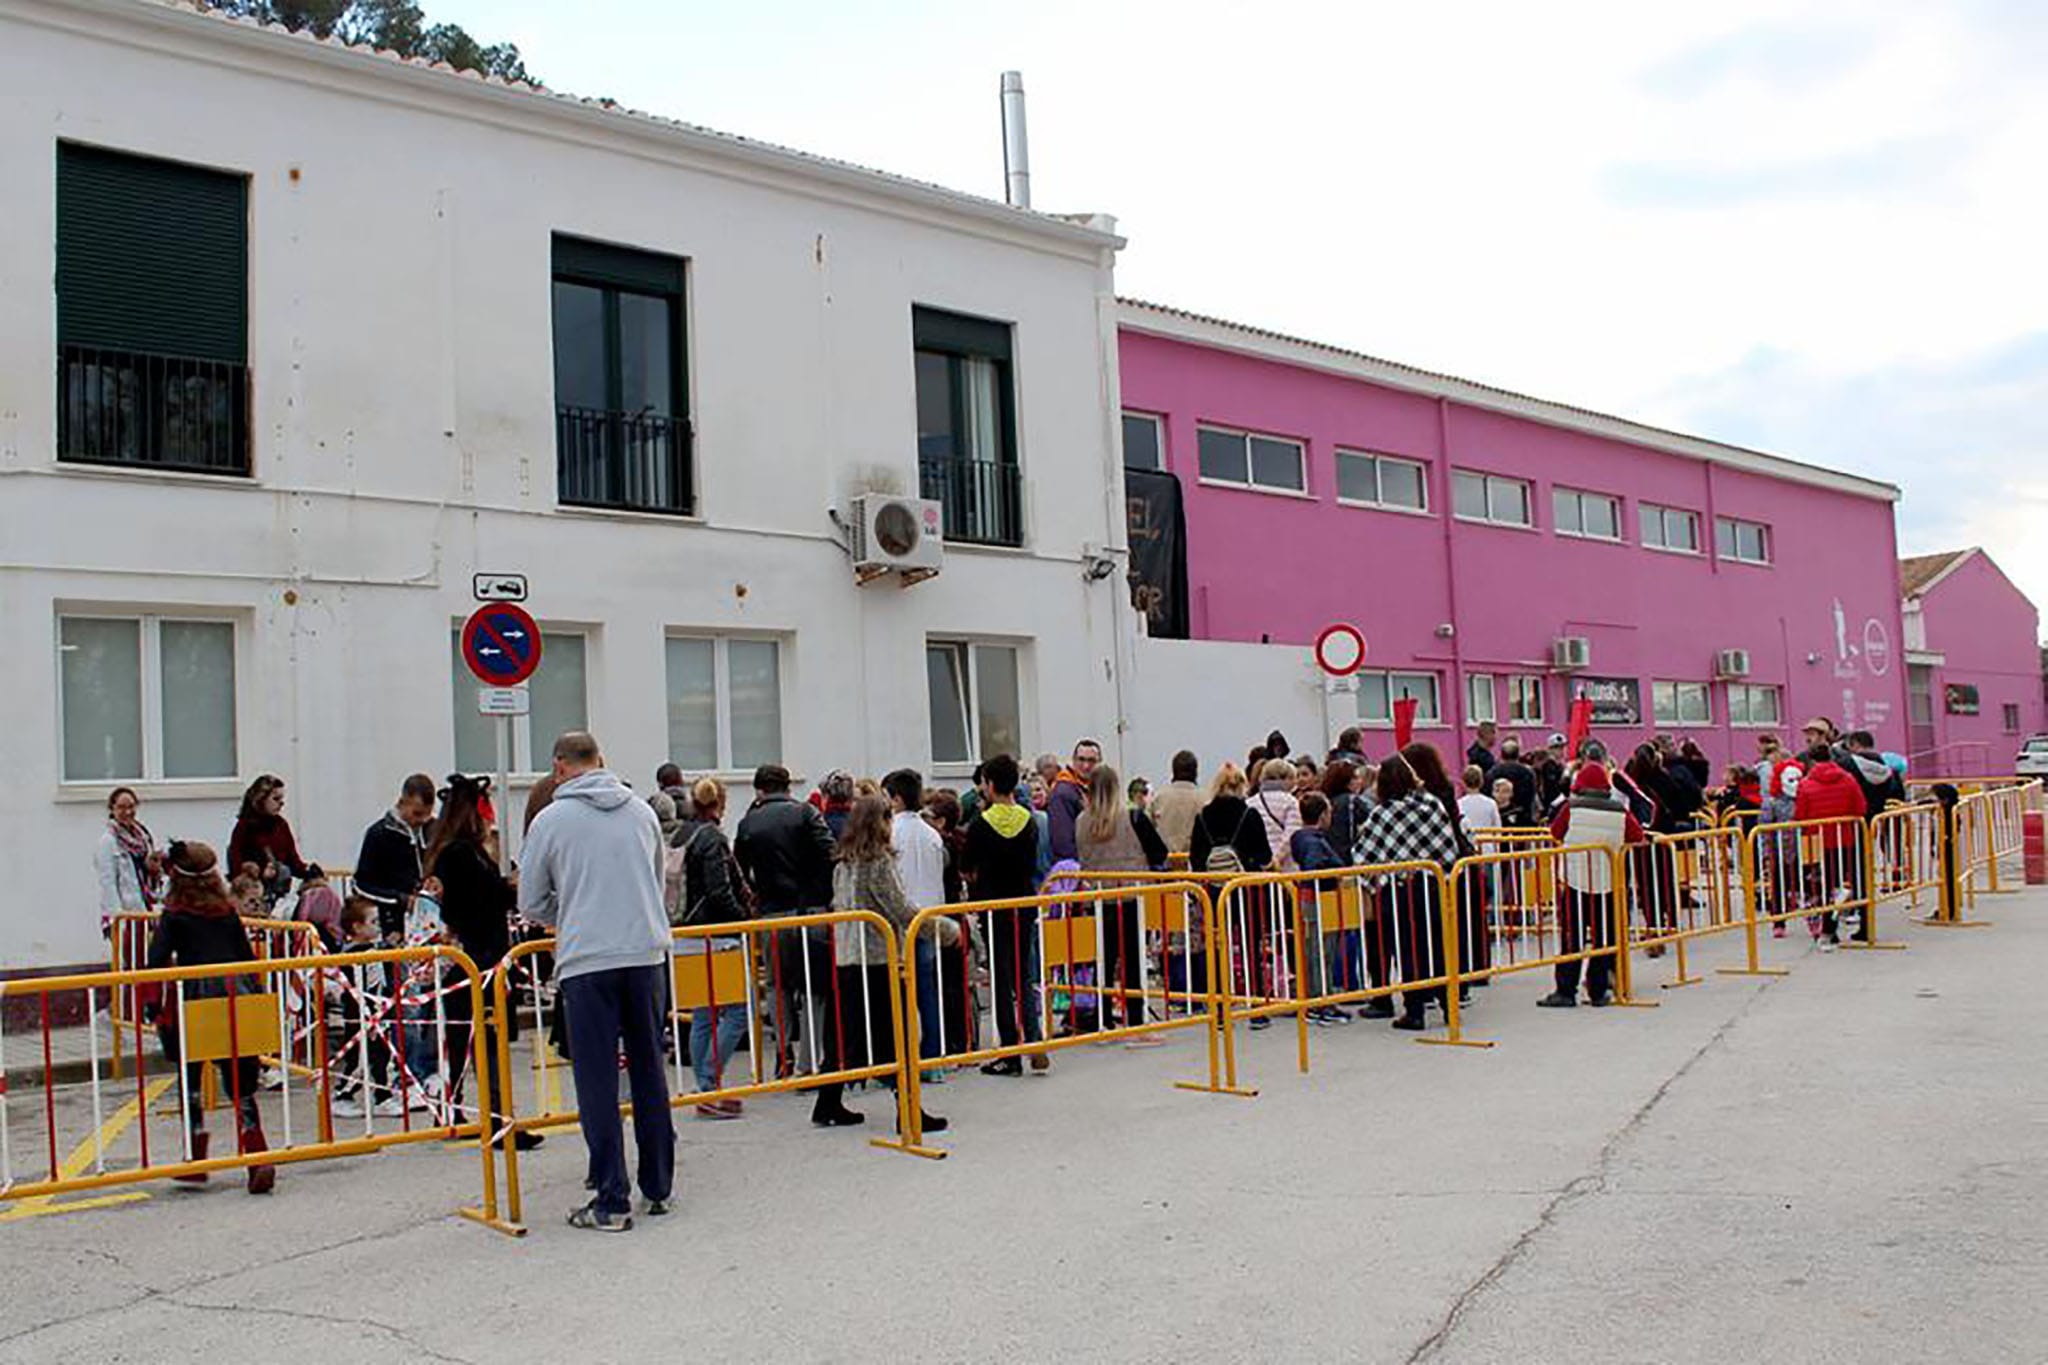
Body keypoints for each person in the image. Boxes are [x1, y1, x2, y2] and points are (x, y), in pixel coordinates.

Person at [517, 732, 673, 1232]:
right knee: (649, 1069)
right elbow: (655, 880)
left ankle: (611, 1196)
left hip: (588, 957)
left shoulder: (550, 820)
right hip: (645, 952)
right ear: (601, 760)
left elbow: (530, 900)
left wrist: (569, 912)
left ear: (559, 766)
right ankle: (659, 1184)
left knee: (597, 1080)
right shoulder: (642, 812)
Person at [146, 841, 276, 1194]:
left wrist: (152, 1004)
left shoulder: (175, 915)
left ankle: (196, 1159)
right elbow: (246, 956)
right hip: (237, 992)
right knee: (241, 1081)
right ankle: (258, 1155)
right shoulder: (226, 911)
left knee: (191, 1076)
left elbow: (155, 961)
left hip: (195, 996)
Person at [428, 774, 535, 1148]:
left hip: (477, 955)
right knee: (483, 1039)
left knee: (468, 1039)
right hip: (478, 957)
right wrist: (510, 886)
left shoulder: (459, 852)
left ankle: (458, 1110)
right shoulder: (461, 854)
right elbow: (483, 899)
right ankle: (496, 1120)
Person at [735, 763, 836, 1078]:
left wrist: (755, 895)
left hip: (772, 913)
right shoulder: (807, 813)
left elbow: (739, 870)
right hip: (811, 910)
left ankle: (783, 1053)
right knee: (813, 987)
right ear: (788, 787)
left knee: (777, 985)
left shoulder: (748, 822)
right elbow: (831, 853)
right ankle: (811, 1057)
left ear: (758, 790)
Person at [1354, 756, 1461, 1031]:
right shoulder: (1432, 804)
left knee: (1407, 949)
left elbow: (1364, 855)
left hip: (1398, 890)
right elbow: (1448, 848)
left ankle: (1414, 1012)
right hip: (1431, 884)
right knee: (1437, 946)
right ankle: (1449, 1006)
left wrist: (1371, 883)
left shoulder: (1383, 813)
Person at [960, 754, 1049, 1076]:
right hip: (1023, 902)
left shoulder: (981, 824)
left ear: (990, 784)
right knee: (1023, 973)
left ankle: (1010, 1050)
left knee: (1000, 977)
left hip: (995, 906)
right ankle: (1034, 1039)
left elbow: (966, 867)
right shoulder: (1029, 820)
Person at [674, 777, 754, 1118]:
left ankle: (706, 1086)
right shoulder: (713, 838)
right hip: (716, 935)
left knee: (703, 1014)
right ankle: (708, 1082)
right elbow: (719, 891)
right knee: (737, 1012)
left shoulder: (681, 834)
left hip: (685, 932)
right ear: (719, 803)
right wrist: (743, 919)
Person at [1537, 763, 1645, 1008]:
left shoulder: (1571, 808)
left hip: (1576, 880)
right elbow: (1637, 836)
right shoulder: (1619, 810)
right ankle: (1598, 990)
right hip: (1608, 881)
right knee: (1604, 938)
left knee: (1571, 938)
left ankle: (1566, 990)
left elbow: (1555, 832)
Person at [1075, 764, 1168, 1034]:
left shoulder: (1081, 822)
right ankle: (1136, 1016)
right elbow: (1159, 852)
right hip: (1132, 895)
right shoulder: (1133, 817)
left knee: (1103, 959)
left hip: (1098, 897)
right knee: (1133, 959)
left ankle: (1103, 1015)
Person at [883, 768, 949, 1069]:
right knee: (927, 990)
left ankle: (906, 1056)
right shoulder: (931, 833)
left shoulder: (891, 833)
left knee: (902, 993)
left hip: (903, 920)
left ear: (896, 799)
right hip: (931, 916)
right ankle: (934, 1053)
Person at [1792, 743, 1867, 950]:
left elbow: (1800, 815)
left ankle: (1828, 930)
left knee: (1824, 886)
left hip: (1817, 842)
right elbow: (1860, 808)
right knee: (1853, 881)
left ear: (1811, 761)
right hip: (1845, 838)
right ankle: (1862, 924)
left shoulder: (1805, 784)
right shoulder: (1848, 779)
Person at [1290, 791, 1351, 1025]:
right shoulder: (1315, 841)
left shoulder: (1299, 837)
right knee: (1322, 950)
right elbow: (1313, 864)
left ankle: (1315, 998)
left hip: (1309, 897)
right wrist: (1328, 872)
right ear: (1323, 814)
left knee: (1312, 949)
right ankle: (1321, 1002)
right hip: (1321, 898)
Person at [355, 774, 438, 943]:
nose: (422, 820)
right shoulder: (378, 835)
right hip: (392, 925)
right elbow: (361, 885)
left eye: (427, 814)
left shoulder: (434, 831)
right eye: (417, 813)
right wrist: (400, 899)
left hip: (431, 923)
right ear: (402, 802)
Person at [227, 775, 308, 909]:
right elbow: (235, 864)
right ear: (261, 800)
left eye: (282, 799)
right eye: (276, 799)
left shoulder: (281, 825)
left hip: (279, 894)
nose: (281, 804)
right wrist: (259, 874)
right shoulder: (245, 827)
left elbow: (293, 860)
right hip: (253, 897)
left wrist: (309, 872)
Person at [96, 786, 161, 937]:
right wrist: (118, 919)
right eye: (121, 807)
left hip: (145, 910)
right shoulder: (108, 841)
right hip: (125, 915)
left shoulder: (143, 837)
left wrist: (152, 868)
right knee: (130, 952)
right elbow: (107, 883)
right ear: (112, 809)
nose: (127, 812)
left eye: (131, 806)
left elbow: (146, 873)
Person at [1046, 739, 1102, 864]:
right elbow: (1062, 842)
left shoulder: (1096, 789)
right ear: (1073, 761)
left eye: (1091, 761)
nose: (1086, 766)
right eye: (1081, 760)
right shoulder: (1063, 792)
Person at [1148, 750, 1205, 857]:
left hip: (1166, 861)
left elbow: (1150, 834)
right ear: (1195, 772)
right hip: (1195, 862)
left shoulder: (1159, 799)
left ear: (1173, 771)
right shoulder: (1205, 800)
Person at [1251, 758, 1304, 873]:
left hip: (1259, 865)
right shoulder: (1291, 802)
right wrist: (1276, 859)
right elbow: (1292, 834)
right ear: (1286, 778)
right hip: (1285, 867)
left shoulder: (1251, 802)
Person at [1486, 739, 1539, 827]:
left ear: (1502, 754)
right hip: (1523, 822)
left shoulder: (1492, 773)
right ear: (1518, 754)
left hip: (1499, 821)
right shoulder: (1528, 773)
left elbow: (1488, 795)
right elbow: (1531, 797)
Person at [292, 865, 345, 950]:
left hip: (316, 936)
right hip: (334, 936)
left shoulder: (309, 894)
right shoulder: (332, 894)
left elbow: (304, 916)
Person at [1458, 766, 1501, 834]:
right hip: (1487, 839)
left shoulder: (1459, 804)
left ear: (1464, 782)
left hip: (1467, 839)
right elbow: (1498, 828)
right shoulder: (1491, 803)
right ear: (1481, 782)